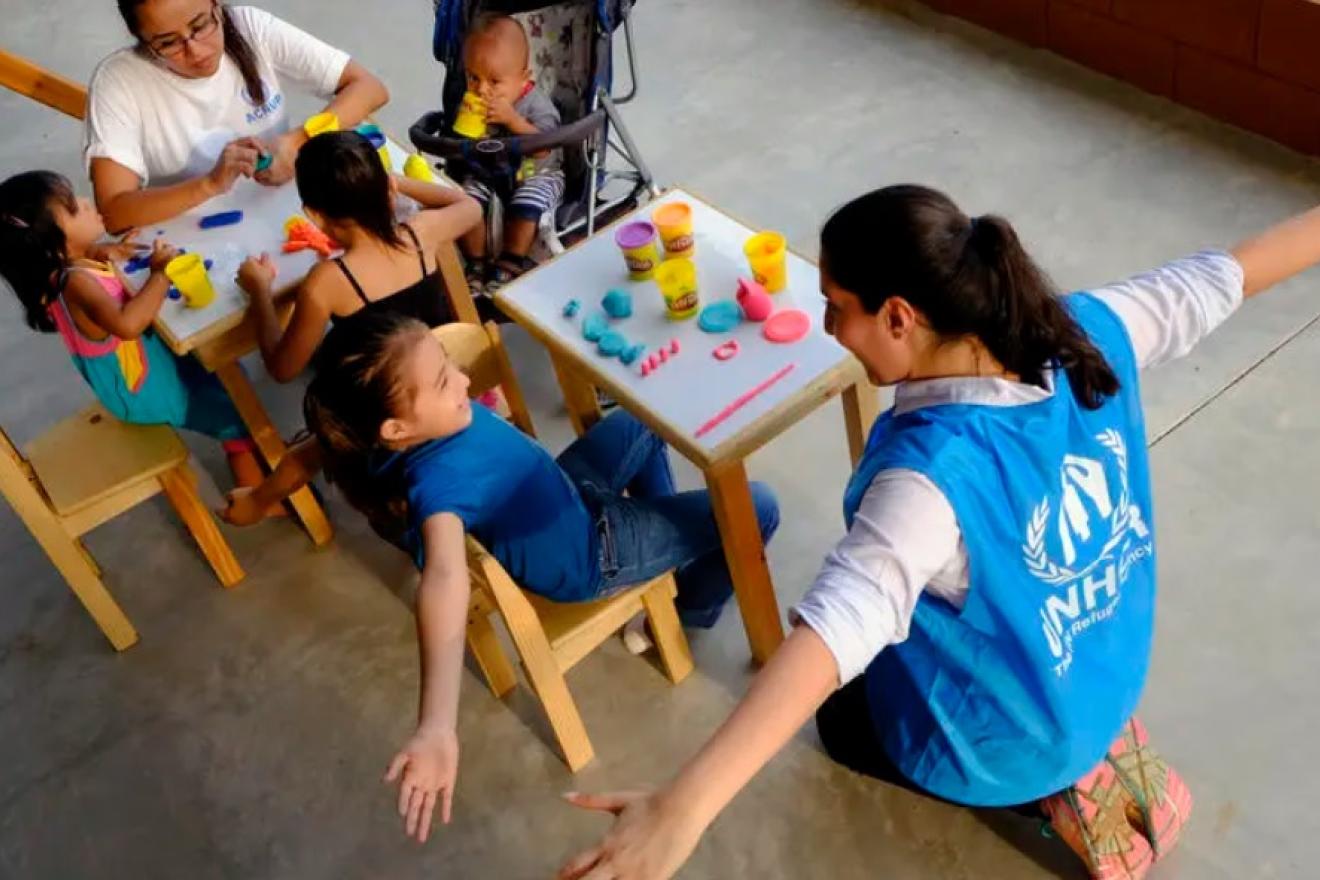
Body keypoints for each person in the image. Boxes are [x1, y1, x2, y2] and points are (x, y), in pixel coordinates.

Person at [556, 185, 1320, 880]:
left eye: (836, 306)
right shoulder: (1094, 328)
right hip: (1109, 668)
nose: (830, 328)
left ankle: (1034, 790)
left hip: (1022, 742)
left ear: (898, 316)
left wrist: (683, 806)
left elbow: (837, 628)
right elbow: (1233, 273)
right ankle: (1068, 755)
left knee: (843, 719)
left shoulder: (929, 478)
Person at [300, 311, 779, 842]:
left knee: (647, 414)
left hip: (567, 493)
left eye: (450, 366)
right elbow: (442, 579)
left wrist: (260, 497)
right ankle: (693, 604)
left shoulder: (380, 437)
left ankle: (664, 538)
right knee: (757, 505)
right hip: (593, 554)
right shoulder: (437, 484)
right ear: (397, 429)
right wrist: (437, 723)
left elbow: (311, 449)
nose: (462, 381)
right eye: (443, 382)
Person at [0, 171, 265, 492]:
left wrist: (102, 251)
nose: (85, 202)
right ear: (53, 245)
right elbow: (128, 325)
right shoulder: (78, 284)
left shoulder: (62, 272)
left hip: (144, 370)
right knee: (236, 410)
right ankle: (255, 490)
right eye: (73, 208)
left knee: (226, 372)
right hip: (142, 391)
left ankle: (252, 457)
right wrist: (160, 274)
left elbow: (78, 261)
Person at [87, 0, 389, 232]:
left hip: (285, 210)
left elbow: (369, 88)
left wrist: (299, 141)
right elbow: (114, 212)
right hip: (194, 234)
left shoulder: (249, 28)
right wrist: (209, 185)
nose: (194, 50)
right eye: (168, 43)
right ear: (142, 41)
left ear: (216, 5)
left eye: (201, 25)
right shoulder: (119, 82)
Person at [235, 130, 482, 383]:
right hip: (446, 375)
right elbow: (471, 206)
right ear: (389, 191)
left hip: (392, 399)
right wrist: (392, 182)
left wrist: (260, 292)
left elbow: (282, 369)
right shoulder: (422, 232)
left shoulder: (326, 283)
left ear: (314, 215)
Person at [452, 14, 565, 295]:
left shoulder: (537, 105)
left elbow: (544, 145)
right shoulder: (473, 100)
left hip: (536, 173)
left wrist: (513, 121)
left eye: (494, 81)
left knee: (529, 202)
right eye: (472, 77)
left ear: (523, 78)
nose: (481, 89)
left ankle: (511, 260)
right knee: (463, 201)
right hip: (488, 174)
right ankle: (475, 262)